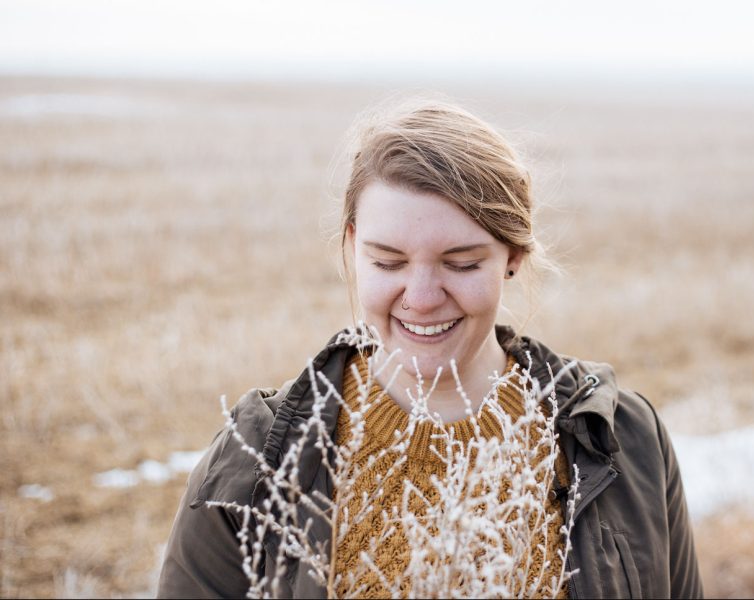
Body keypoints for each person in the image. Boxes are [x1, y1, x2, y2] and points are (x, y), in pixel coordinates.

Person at [157, 100, 703, 599]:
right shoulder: (254, 463)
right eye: (388, 262)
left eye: (461, 264)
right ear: (351, 247)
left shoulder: (627, 440)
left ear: (513, 256)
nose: (420, 298)